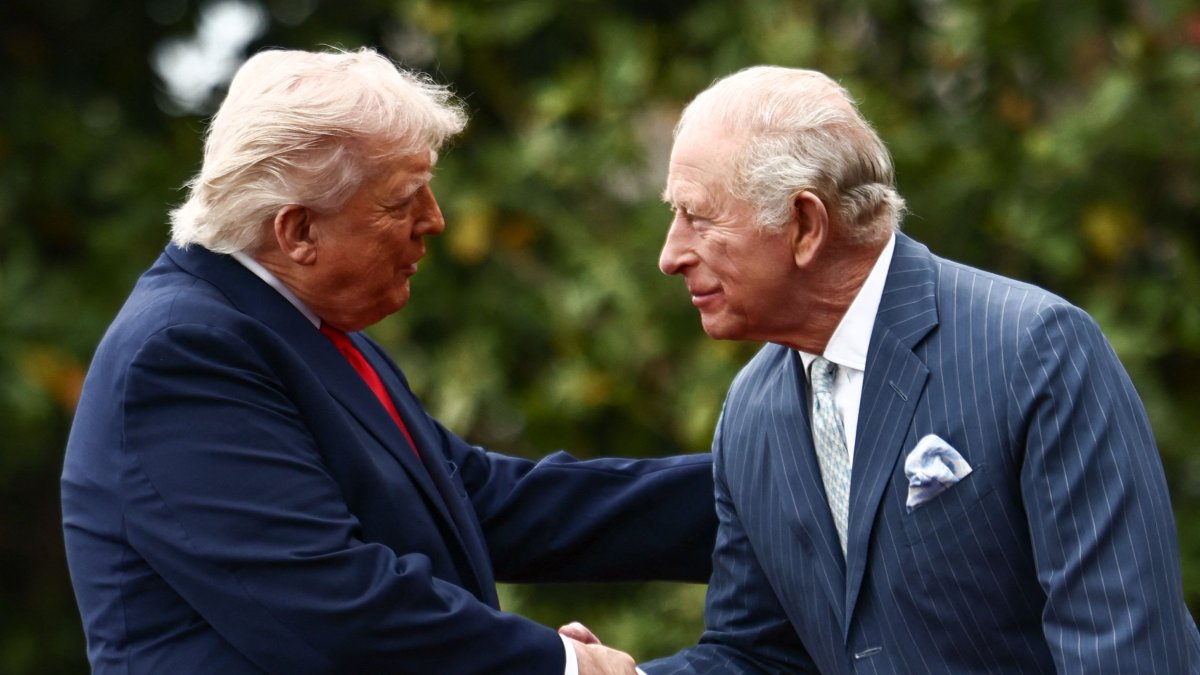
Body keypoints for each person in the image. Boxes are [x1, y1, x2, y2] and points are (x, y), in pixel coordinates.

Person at [60, 47, 715, 675]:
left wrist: (760, 488)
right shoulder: (182, 353)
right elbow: (333, 611)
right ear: (297, 231)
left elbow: (488, 503)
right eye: (403, 200)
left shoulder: (298, 330)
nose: (435, 220)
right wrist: (560, 664)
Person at [632, 66, 1200, 672]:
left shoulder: (1032, 349)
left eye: (698, 217)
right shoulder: (751, 409)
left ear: (804, 224)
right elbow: (759, 656)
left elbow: (1124, 649)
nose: (671, 255)